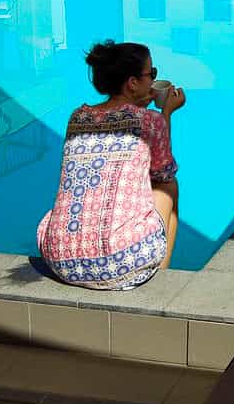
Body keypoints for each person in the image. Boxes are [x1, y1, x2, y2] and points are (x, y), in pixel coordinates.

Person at [37, 41, 185, 289]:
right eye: (152, 74)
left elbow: (117, 123)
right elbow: (163, 171)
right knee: (169, 187)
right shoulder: (150, 121)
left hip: (60, 259)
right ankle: (161, 281)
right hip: (117, 260)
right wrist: (166, 113)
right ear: (133, 83)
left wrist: (142, 110)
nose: (153, 81)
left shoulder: (78, 117)